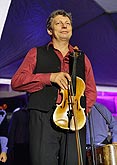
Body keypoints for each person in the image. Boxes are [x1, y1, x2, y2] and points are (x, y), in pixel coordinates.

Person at [11, 9, 97, 165]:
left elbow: (90, 90)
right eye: (58, 23)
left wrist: (82, 110)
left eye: (67, 23)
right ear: (49, 30)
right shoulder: (35, 53)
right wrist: (49, 77)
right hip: (43, 116)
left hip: (74, 119)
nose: (64, 26)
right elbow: (17, 81)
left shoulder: (82, 58)